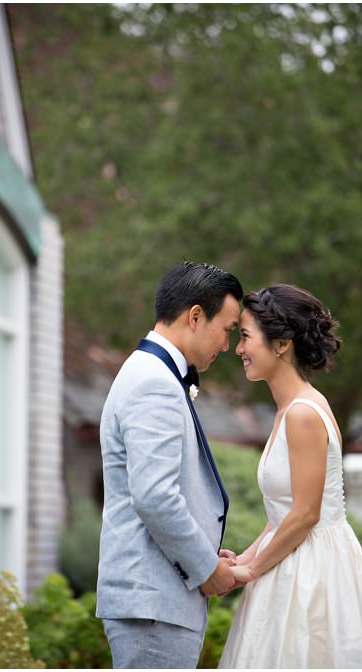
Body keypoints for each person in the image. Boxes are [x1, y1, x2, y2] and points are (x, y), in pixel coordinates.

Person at [218, 284, 362, 668]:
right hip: (291, 557)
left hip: (312, 570)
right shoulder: (290, 410)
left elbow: (305, 514)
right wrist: (240, 568)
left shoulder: (302, 413)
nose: (239, 349)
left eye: (246, 337)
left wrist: (251, 568)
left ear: (281, 344)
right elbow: (281, 514)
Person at [97, 262, 243, 668]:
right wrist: (205, 567)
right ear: (195, 316)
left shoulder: (154, 375)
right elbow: (155, 495)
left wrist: (210, 554)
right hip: (152, 604)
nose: (228, 345)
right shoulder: (153, 382)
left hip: (157, 602)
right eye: (227, 329)